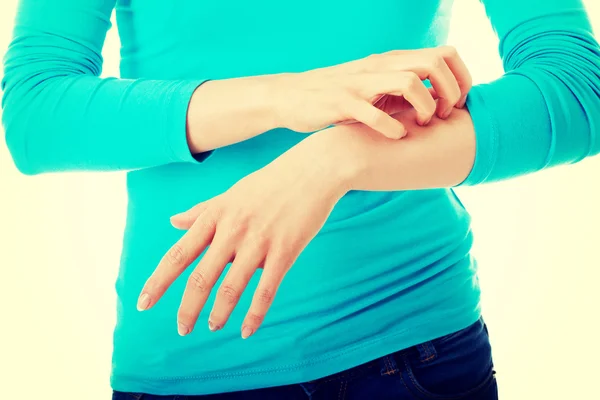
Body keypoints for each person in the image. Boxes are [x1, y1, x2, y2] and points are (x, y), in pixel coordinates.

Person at [2, 0, 599, 398]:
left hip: (417, 349)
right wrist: (289, 97)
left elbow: (576, 90)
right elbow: (36, 112)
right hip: (188, 363)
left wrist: (334, 160)